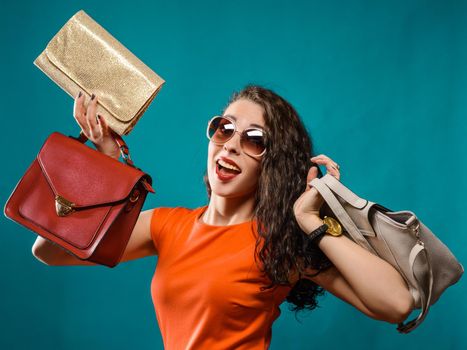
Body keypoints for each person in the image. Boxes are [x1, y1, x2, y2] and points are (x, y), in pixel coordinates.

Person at [32, 85, 414, 349]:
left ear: (274, 163)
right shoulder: (165, 225)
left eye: (254, 139)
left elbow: (396, 304)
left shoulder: (279, 244)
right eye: (224, 129)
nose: (231, 144)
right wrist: (101, 164)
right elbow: (49, 250)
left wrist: (308, 218)